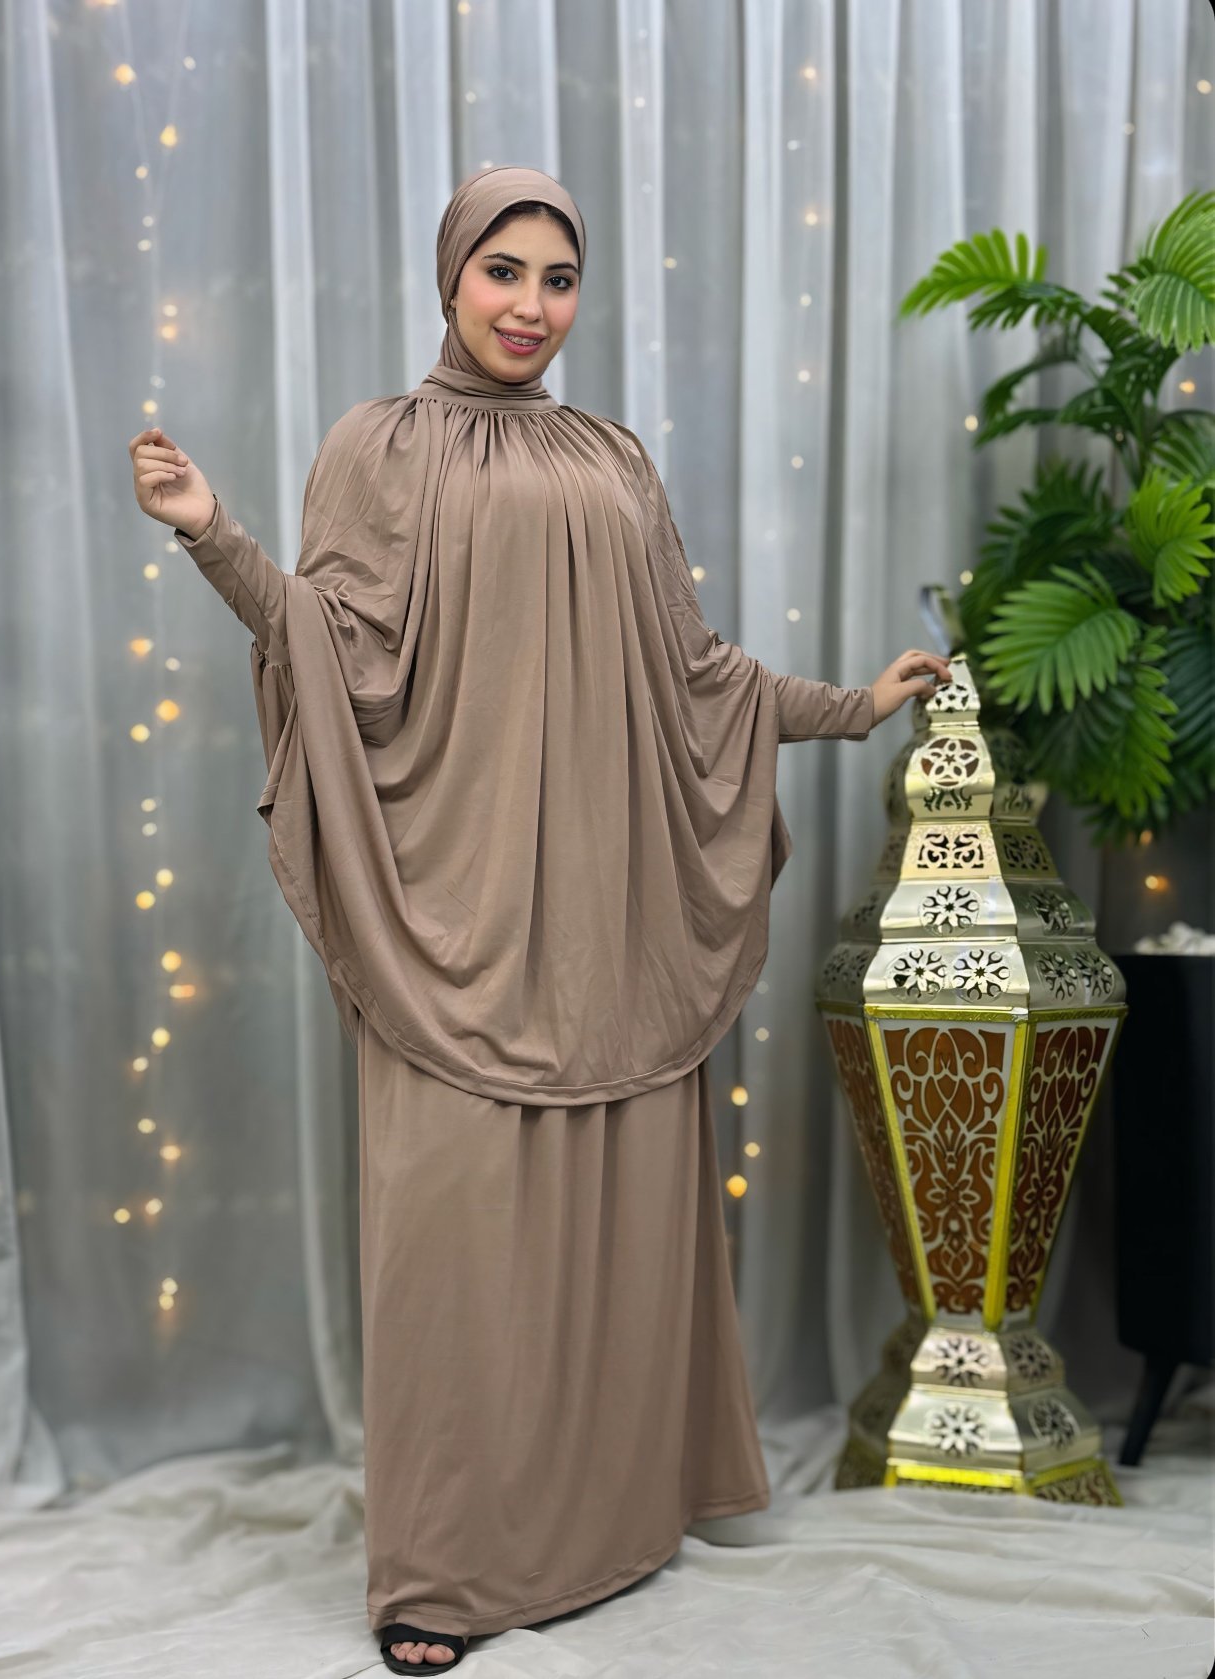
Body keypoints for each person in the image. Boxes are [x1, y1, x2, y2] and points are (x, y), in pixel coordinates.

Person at [128, 164, 950, 1673]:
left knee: (615, 1235)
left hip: (608, 915)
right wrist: (209, 531)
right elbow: (331, 643)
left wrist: (852, 704)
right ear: (451, 276)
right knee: (452, 1255)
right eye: (502, 271)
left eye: (558, 279)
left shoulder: (611, 456)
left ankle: (605, 1531)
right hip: (452, 911)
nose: (529, 305)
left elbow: (692, 673)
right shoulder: (378, 446)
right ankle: (438, 1579)